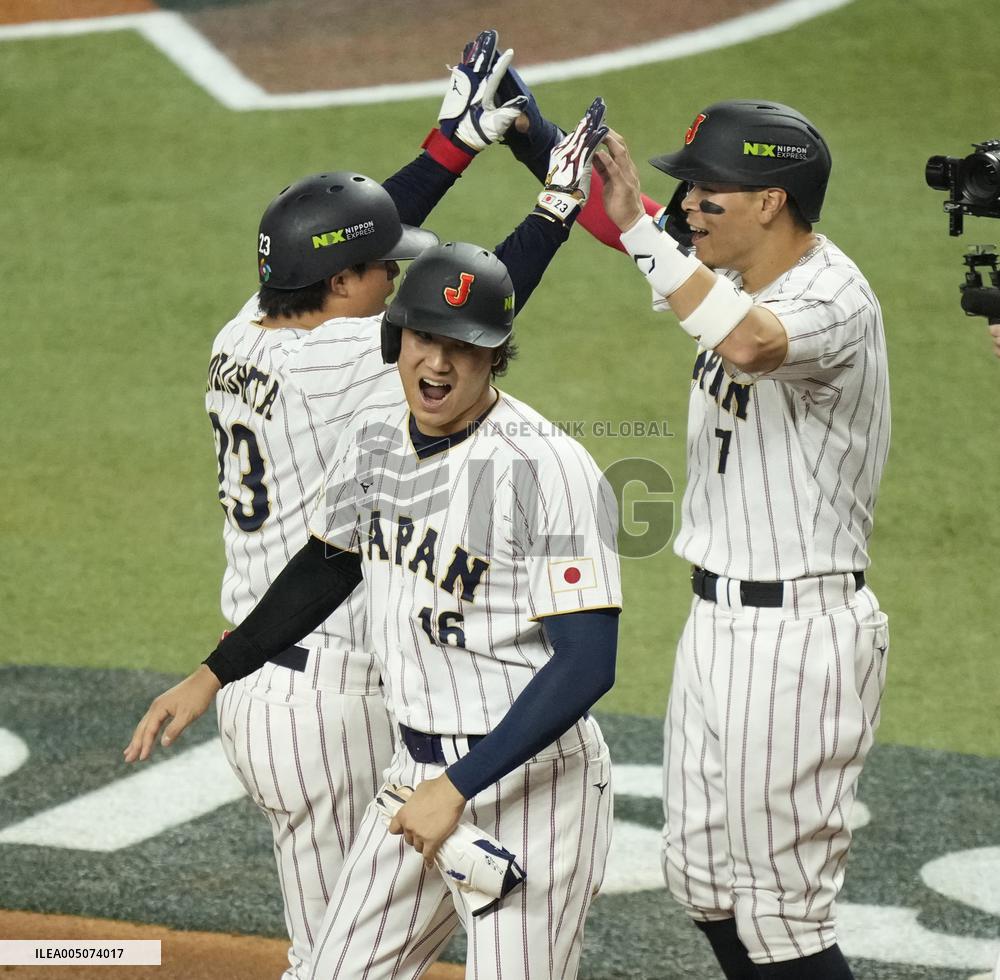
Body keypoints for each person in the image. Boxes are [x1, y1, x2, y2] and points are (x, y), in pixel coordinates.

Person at [126, 98, 618, 980]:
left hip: (522, 780)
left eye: (463, 345)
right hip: (387, 749)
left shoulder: (547, 464)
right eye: (417, 331)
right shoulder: (368, 419)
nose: (436, 359)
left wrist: (453, 148)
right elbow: (329, 561)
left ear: (496, 353)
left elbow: (588, 662)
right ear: (388, 336)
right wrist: (213, 669)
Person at [586, 101, 891, 979]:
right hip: (719, 627)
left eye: (708, 191)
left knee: (782, 913)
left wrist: (642, 230)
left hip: (801, 639)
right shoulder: (735, 278)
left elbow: (755, 346)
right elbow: (639, 233)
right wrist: (536, 135)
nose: (688, 206)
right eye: (686, 190)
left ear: (773, 200)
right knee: (704, 882)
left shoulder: (831, 294)